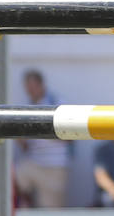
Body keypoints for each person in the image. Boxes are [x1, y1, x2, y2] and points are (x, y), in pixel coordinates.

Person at [12, 69, 70, 207]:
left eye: (33, 87)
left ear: (41, 85)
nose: (30, 91)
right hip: (34, 164)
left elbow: (70, 137)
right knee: (11, 179)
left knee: (51, 210)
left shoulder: (57, 103)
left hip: (55, 167)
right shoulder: (27, 108)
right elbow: (27, 146)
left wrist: (43, 130)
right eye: (28, 88)